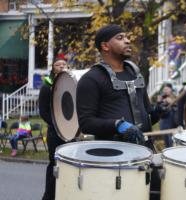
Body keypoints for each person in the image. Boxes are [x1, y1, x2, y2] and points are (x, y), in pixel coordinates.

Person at [76, 24, 166, 200]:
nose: (127, 40)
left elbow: (145, 119)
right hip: (112, 160)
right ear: (105, 46)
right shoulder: (91, 79)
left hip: (145, 155)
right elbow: (86, 123)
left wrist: (158, 112)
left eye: (127, 37)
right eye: (120, 37)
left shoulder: (136, 73)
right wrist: (118, 125)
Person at [39, 57, 68, 200]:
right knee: (54, 163)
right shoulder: (46, 86)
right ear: (53, 68)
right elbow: (43, 112)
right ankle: (49, 196)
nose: (62, 66)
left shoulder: (70, 84)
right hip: (55, 132)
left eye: (64, 64)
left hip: (69, 133)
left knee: (69, 165)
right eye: (58, 64)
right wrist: (56, 124)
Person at [157, 83, 177, 147]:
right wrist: (158, 102)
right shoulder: (162, 98)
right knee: (166, 140)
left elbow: (179, 108)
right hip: (163, 122)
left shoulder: (174, 97)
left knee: (171, 140)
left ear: (171, 89)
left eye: (167, 89)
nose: (165, 90)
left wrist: (172, 103)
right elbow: (158, 111)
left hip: (172, 122)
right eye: (164, 89)